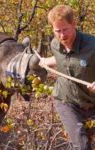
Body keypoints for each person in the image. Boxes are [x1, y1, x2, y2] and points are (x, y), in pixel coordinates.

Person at [39, 5, 95, 150]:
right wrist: (45, 62)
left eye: (65, 30)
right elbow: (62, 59)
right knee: (82, 145)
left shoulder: (92, 46)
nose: (62, 36)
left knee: (81, 142)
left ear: (74, 24)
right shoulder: (54, 45)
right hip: (66, 100)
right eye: (57, 31)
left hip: (91, 102)